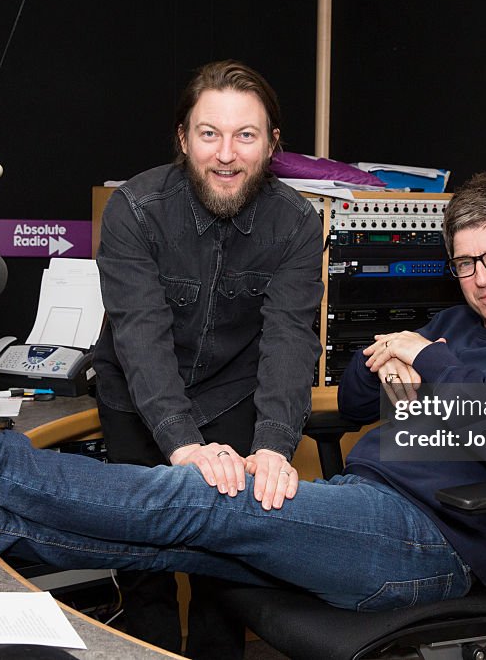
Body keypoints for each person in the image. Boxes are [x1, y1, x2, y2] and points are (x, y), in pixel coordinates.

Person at [0, 172, 486, 633]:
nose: (481, 277)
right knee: (165, 541)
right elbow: (347, 407)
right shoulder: (446, 326)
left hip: (434, 546)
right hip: (363, 502)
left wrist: (433, 363)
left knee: (204, 496)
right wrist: (385, 367)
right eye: (467, 261)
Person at [92, 60, 323, 657]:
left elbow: (291, 338)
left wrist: (273, 443)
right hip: (138, 400)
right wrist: (182, 443)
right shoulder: (133, 210)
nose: (226, 153)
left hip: (232, 395)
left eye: (245, 135)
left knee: (225, 572)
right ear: (182, 138)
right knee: (144, 568)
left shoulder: (298, 222)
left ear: (272, 144)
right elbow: (140, 336)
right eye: (209, 133)